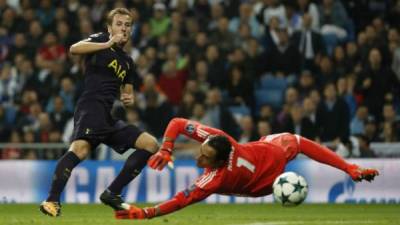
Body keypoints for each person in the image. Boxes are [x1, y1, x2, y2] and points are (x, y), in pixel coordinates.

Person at [115, 117, 379, 219]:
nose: (199, 159)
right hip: (269, 149)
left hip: (263, 183)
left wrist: (148, 213)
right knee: (293, 140)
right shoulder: (219, 138)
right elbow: (177, 122)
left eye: (205, 158)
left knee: (295, 142)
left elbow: (182, 199)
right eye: (201, 151)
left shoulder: (216, 178)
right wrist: (166, 148)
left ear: (217, 163)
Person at [40, 8, 159, 217]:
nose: (123, 28)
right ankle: (52, 200)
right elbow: (74, 49)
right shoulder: (101, 40)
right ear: (109, 27)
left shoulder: (128, 62)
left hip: (108, 115)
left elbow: (128, 92)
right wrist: (106, 44)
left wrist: (128, 98)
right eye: (119, 23)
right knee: (80, 150)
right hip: (91, 107)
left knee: (150, 144)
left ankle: (112, 193)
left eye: (127, 25)